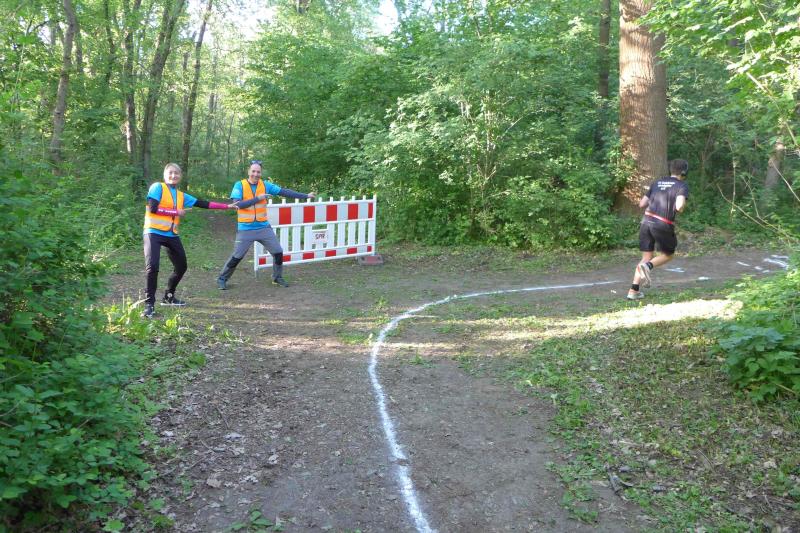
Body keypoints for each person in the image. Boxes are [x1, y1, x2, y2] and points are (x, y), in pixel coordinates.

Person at [142, 163, 236, 318]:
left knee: (181, 266)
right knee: (152, 267)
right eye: (170, 173)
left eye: (176, 173)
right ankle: (149, 305)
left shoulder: (181, 196)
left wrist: (227, 207)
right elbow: (153, 208)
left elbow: (203, 203)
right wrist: (176, 212)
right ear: (165, 175)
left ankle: (169, 296)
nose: (173, 176)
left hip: (171, 234)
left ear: (180, 176)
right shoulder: (157, 187)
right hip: (153, 232)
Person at [217, 160, 315, 290]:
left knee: (278, 252)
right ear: (248, 171)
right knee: (237, 256)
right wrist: (258, 198)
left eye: (258, 172)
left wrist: (306, 196)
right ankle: (222, 278)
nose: (255, 174)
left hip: (263, 227)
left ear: (261, 173)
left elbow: (284, 192)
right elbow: (238, 205)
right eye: (253, 171)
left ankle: (277, 277)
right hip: (245, 229)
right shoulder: (239, 185)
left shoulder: (265, 185)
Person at [627, 159, 690, 300]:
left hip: (646, 221)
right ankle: (648, 267)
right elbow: (679, 206)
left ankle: (633, 290)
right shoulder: (681, 185)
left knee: (646, 257)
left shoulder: (657, 182)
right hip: (662, 224)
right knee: (668, 255)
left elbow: (642, 203)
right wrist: (680, 207)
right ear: (684, 172)